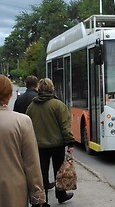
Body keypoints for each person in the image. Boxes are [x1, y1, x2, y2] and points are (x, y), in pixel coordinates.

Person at [26, 78, 75, 206]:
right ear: (52, 88)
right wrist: (70, 142)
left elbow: (27, 125)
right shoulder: (58, 105)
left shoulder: (32, 106)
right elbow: (65, 126)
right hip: (57, 145)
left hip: (39, 146)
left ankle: (43, 201)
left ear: (39, 89)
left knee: (42, 173)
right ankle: (61, 194)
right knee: (59, 171)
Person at [0, 74, 46, 207]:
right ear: (9, 96)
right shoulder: (21, 122)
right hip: (13, 192)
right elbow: (31, 163)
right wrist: (38, 196)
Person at [13, 75, 55, 190]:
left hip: (22, 134)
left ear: (26, 84)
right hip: (37, 135)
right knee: (38, 164)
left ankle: (26, 183)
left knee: (24, 162)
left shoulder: (19, 99)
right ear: (36, 85)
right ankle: (42, 185)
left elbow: (15, 116)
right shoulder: (38, 98)